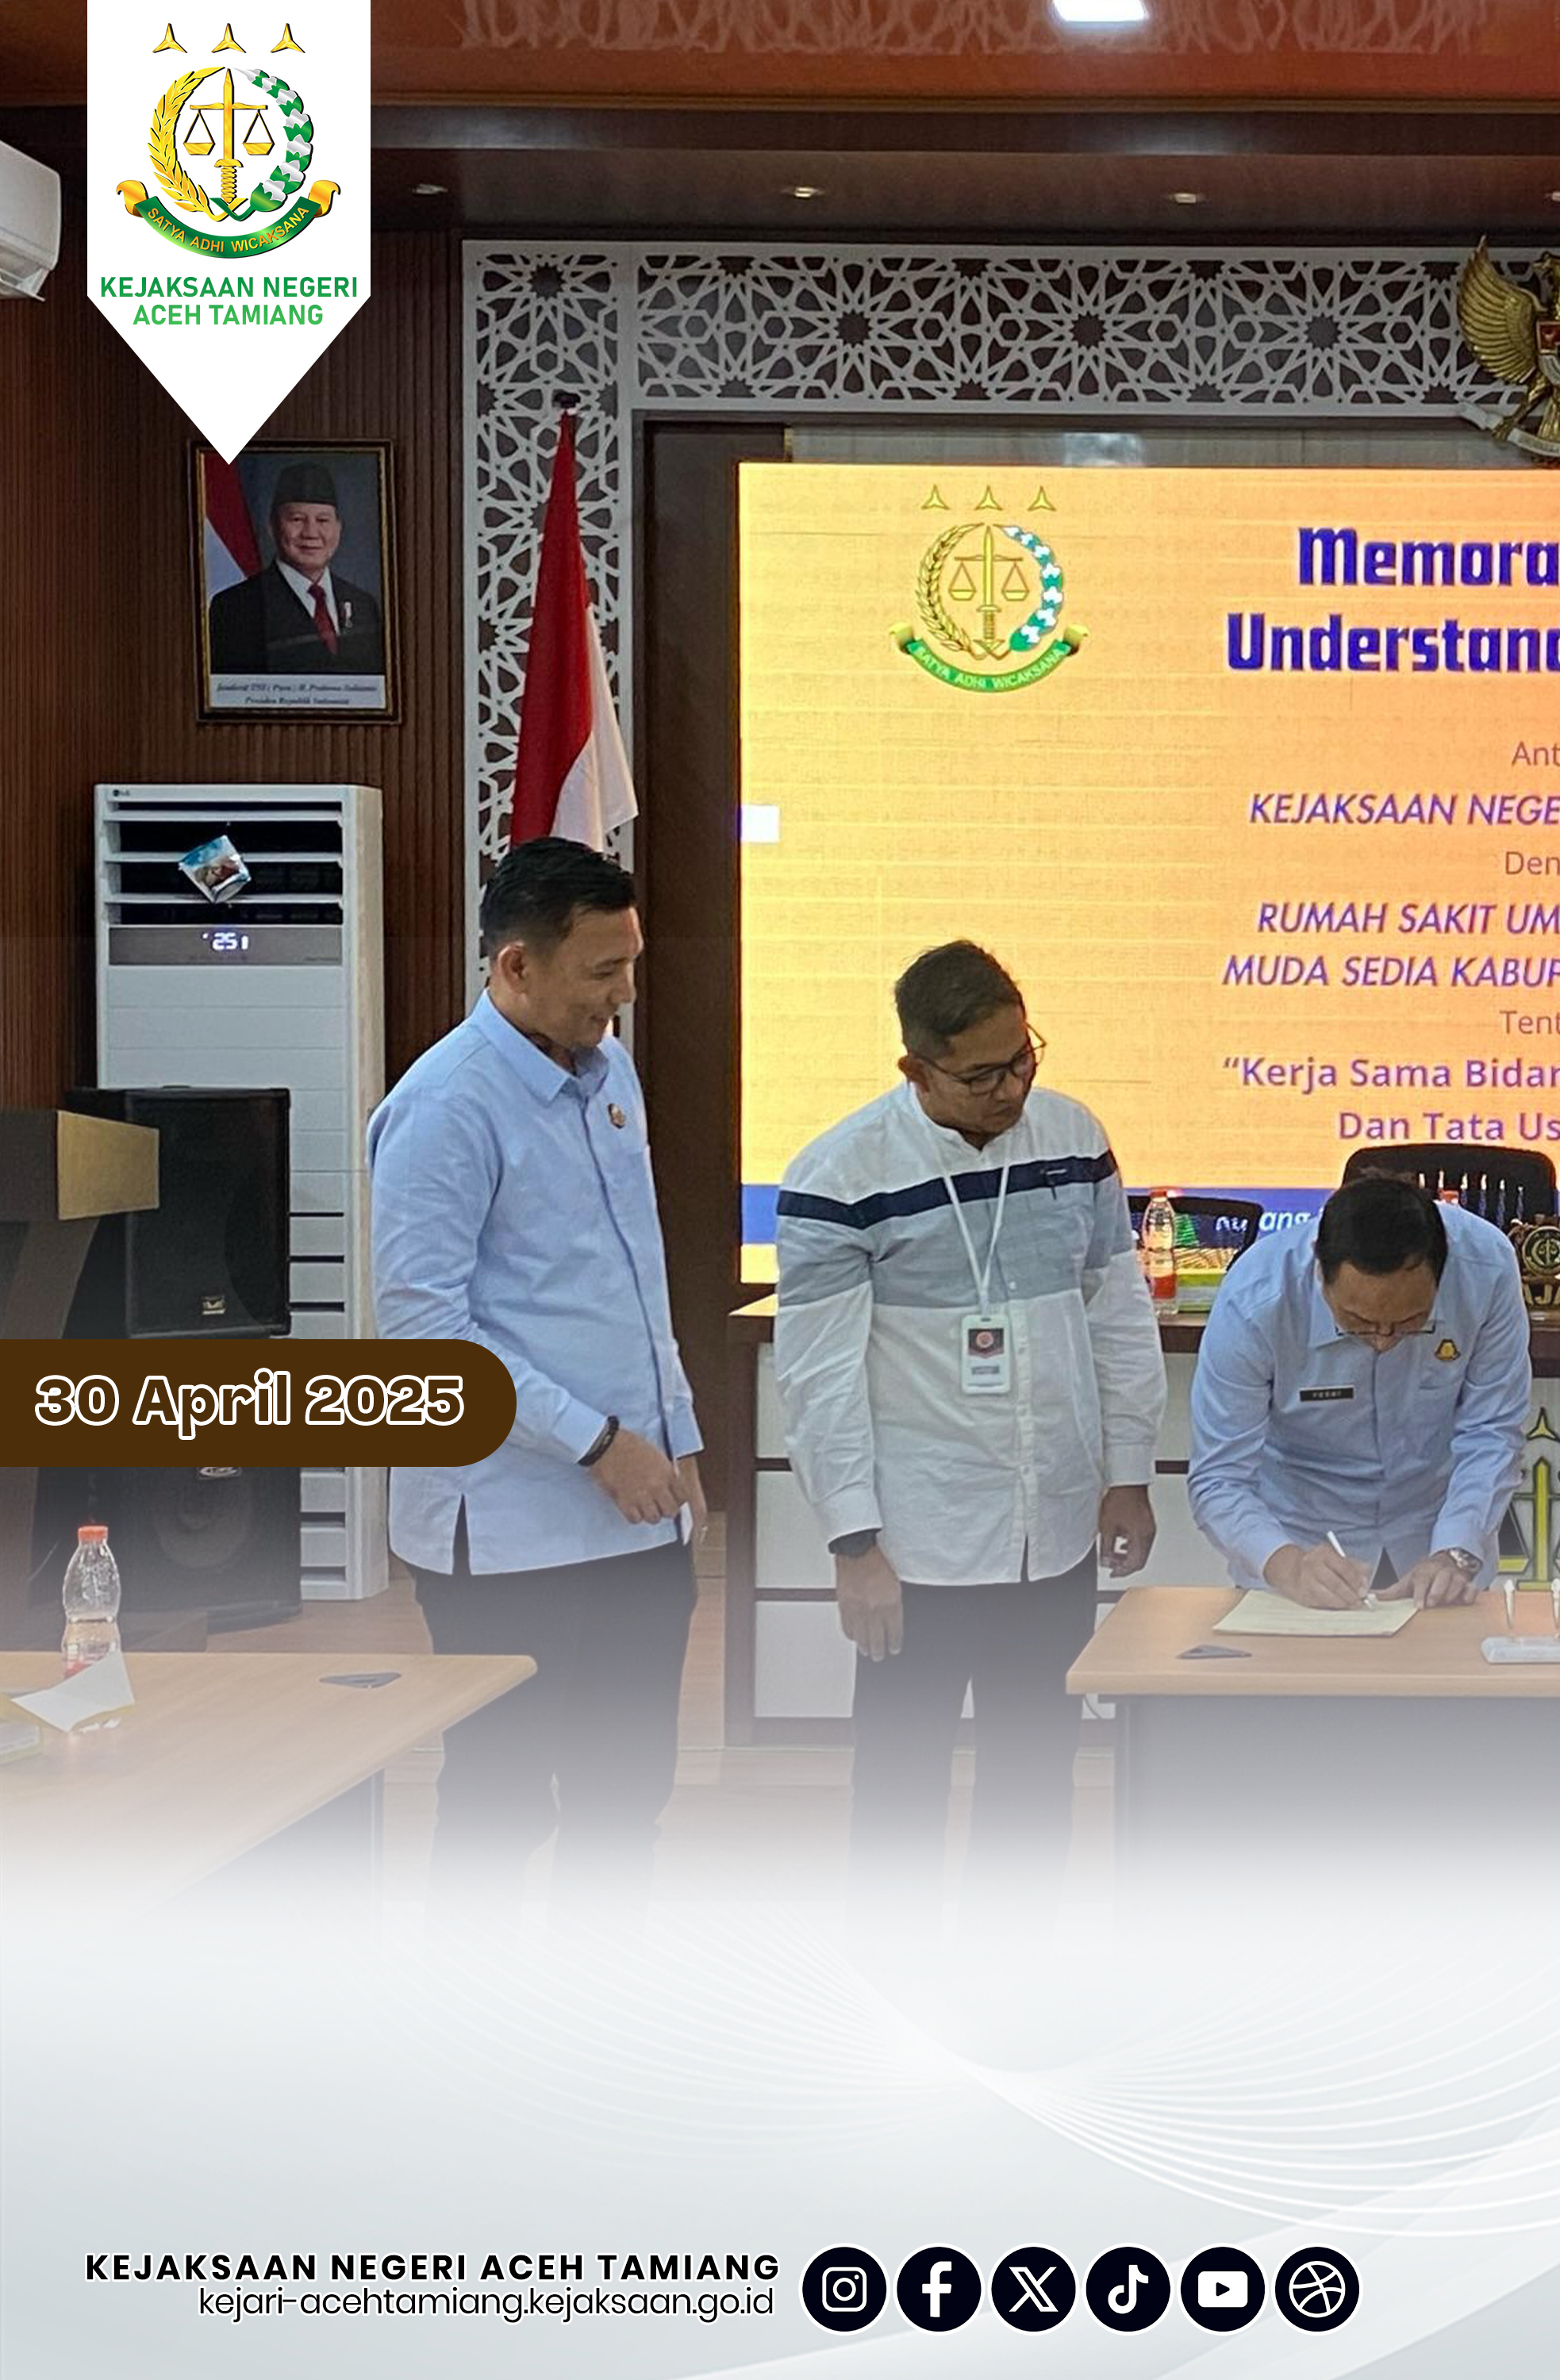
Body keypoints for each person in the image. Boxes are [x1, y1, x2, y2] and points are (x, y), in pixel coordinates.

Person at [772, 941, 1164, 1944]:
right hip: (922, 1537)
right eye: (983, 1075)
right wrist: (853, 1544)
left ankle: (1013, 1964)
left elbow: (1116, 1311)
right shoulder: (840, 1175)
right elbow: (818, 1377)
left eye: (1023, 1058)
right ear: (916, 1069)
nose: (1012, 1089)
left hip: (1054, 1523)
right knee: (900, 1777)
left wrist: (1129, 1473)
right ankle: (892, 1973)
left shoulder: (1073, 1140)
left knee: (1035, 1767)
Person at [368, 838, 704, 1929]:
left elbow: (634, 1277)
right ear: (514, 966)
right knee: (500, 1800)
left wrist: (677, 1437)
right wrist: (599, 1442)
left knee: (628, 1793)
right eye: (602, 971)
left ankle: (597, 1995)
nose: (624, 993)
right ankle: (474, 2007)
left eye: (631, 962)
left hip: (638, 1514)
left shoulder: (609, 1074)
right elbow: (427, 1334)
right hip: (510, 1530)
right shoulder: (445, 1107)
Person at [1188, 1172, 1531, 1606]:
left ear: (1442, 1273)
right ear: (1321, 1273)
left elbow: (1492, 1432)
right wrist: (1286, 1564)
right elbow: (1219, 1476)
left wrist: (1456, 1551)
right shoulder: (1256, 1298)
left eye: (1410, 1322)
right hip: (1300, 1542)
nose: (1383, 1340)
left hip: (1437, 1534)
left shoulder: (1485, 1269)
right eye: (1358, 1322)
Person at [207, 459, 386, 676]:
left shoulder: (364, 606)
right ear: (272, 527)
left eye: (323, 520)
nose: (311, 533)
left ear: (338, 528)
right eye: (297, 519)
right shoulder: (236, 607)